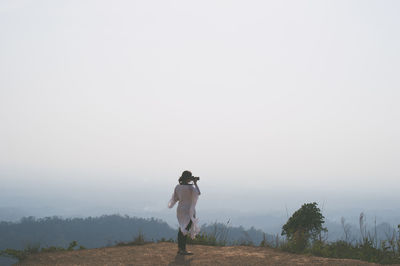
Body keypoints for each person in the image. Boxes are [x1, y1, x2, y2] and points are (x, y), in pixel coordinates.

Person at [168, 170, 201, 255]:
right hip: (188, 210)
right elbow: (198, 193)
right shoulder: (190, 188)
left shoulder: (178, 187)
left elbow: (175, 198)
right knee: (185, 229)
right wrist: (195, 183)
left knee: (182, 228)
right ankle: (183, 249)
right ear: (188, 178)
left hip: (180, 210)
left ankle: (180, 248)